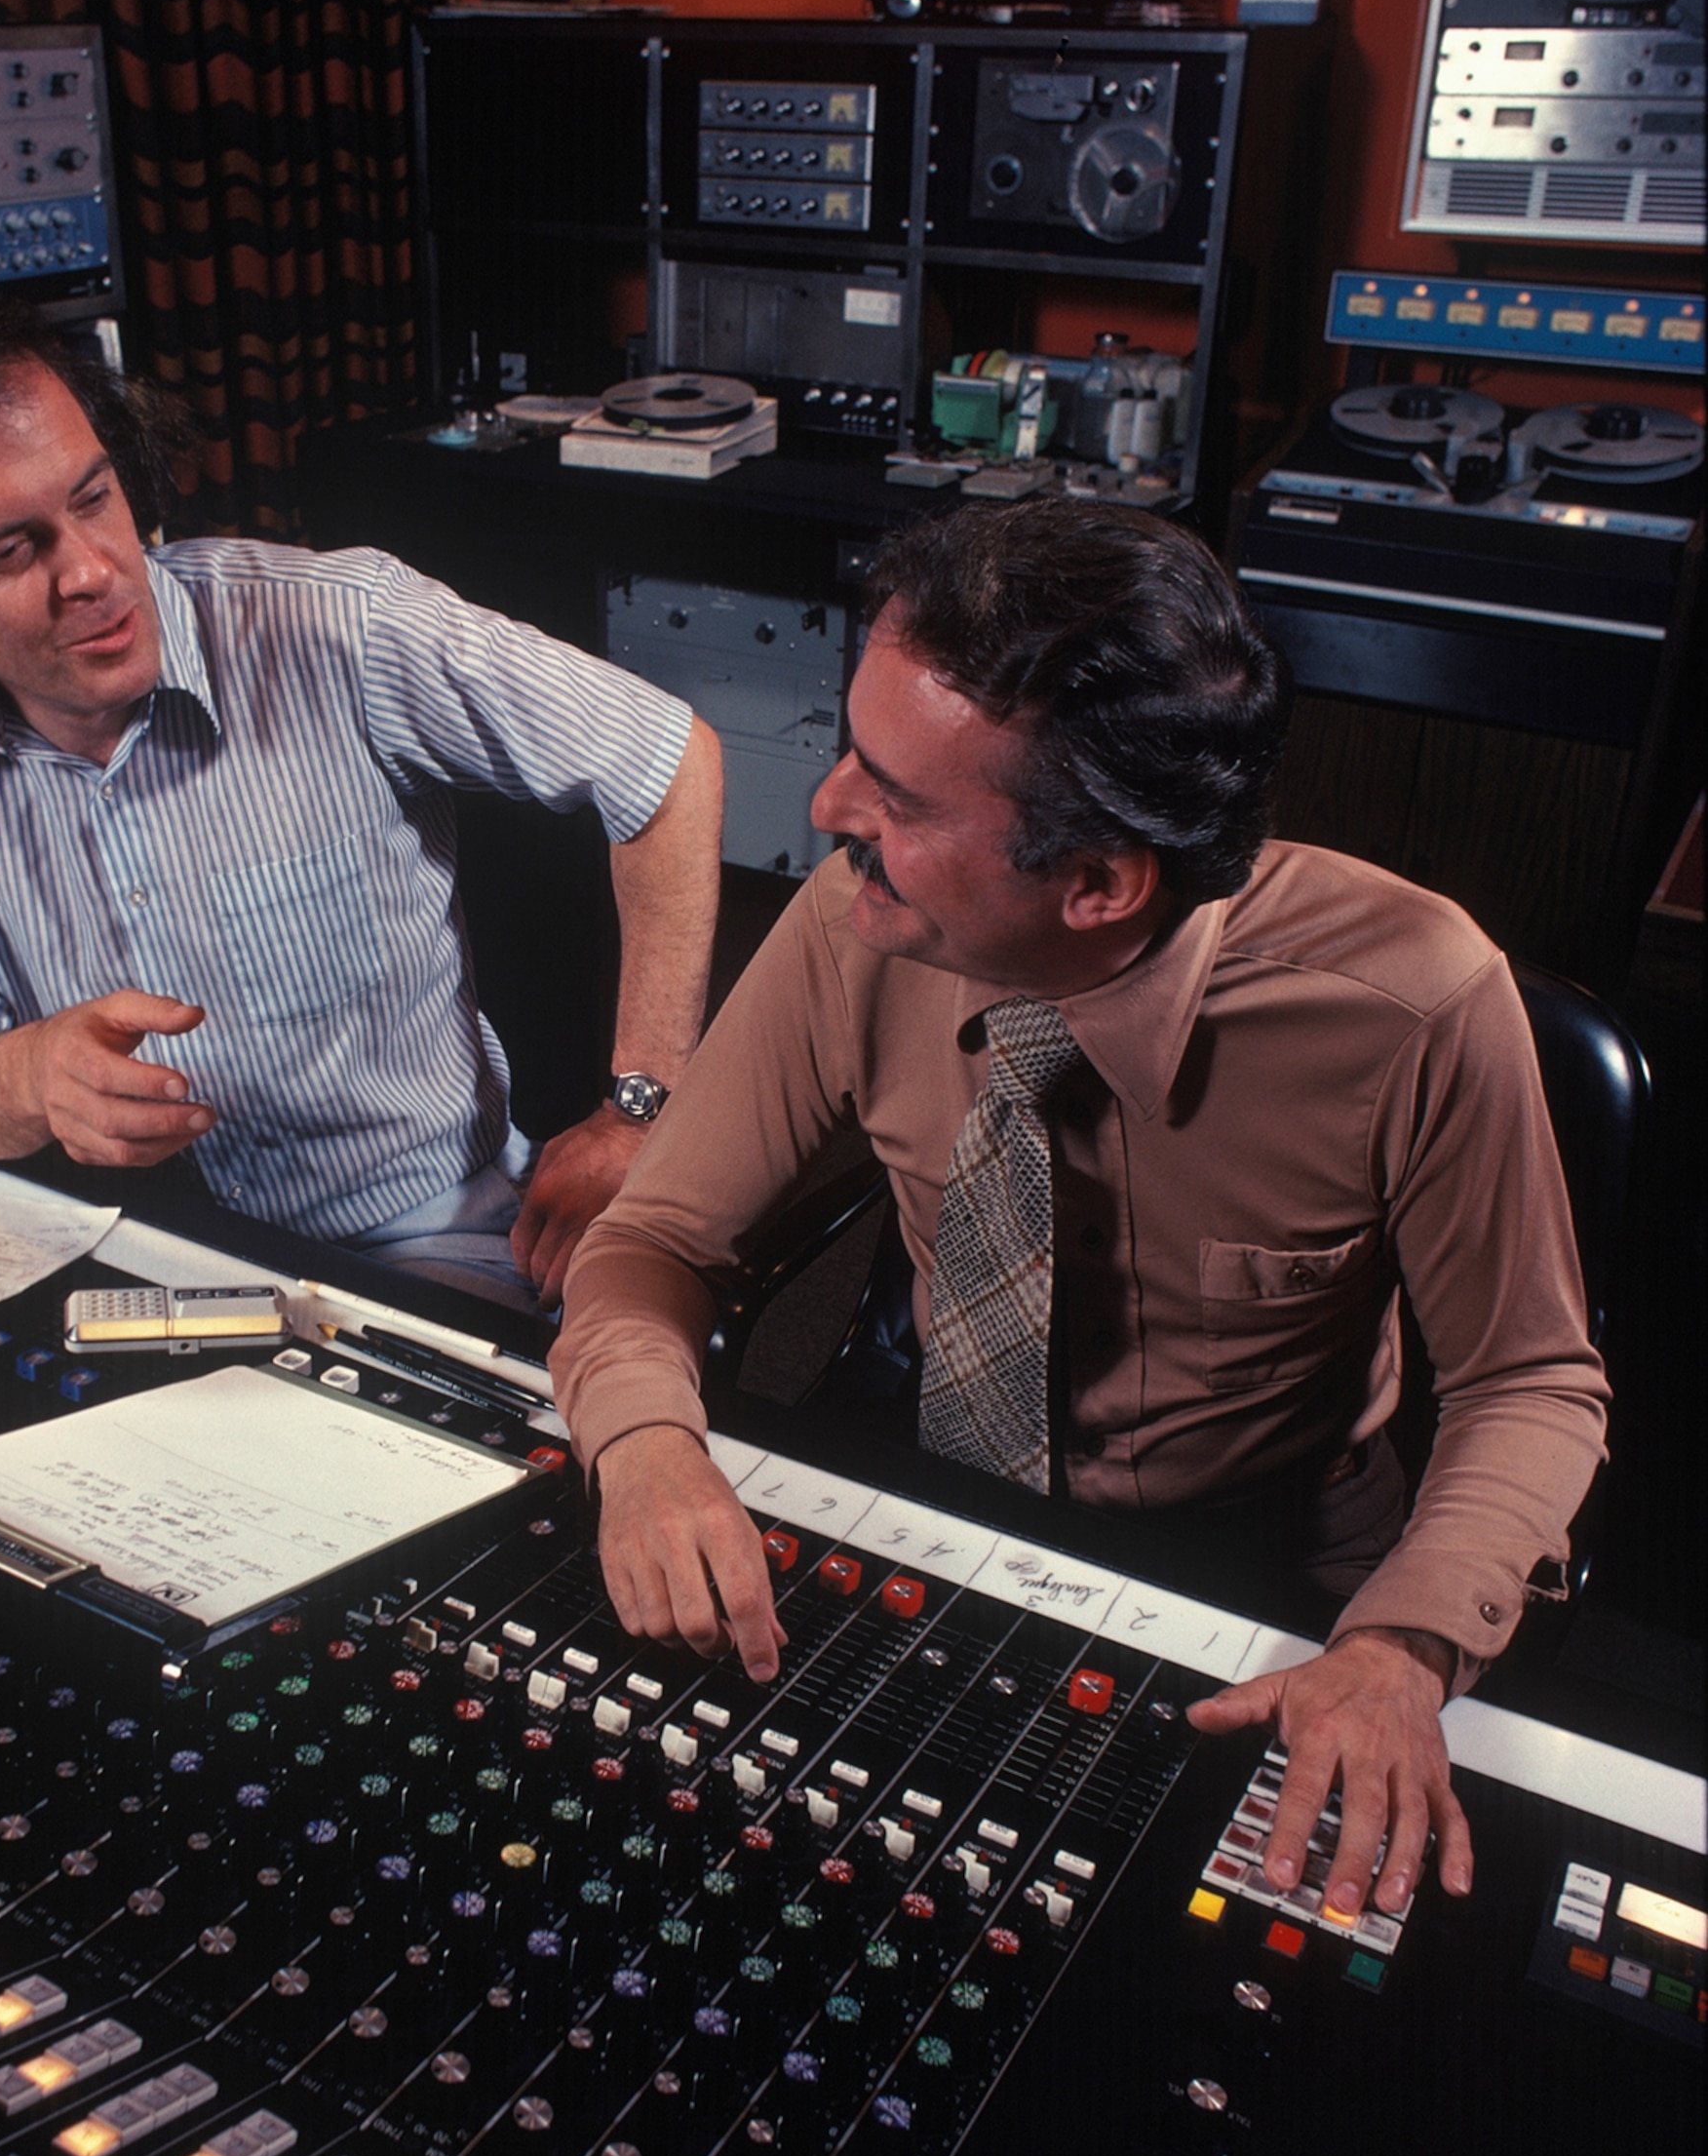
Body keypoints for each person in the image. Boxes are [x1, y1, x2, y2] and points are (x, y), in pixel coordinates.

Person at [553, 498, 1608, 1928]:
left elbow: (1528, 1381)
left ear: (1102, 882)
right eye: (853, 749)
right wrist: (650, 1440)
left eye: (900, 800)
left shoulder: (1421, 1003)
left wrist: (1404, 1647)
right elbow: (656, 1242)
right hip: (936, 1518)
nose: (826, 811)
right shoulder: (851, 924)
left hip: (1272, 1584)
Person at [0, 296, 723, 1306]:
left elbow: (666, 759)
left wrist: (640, 1111)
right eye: (9, 553)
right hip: (121, 1260)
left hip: (415, 1252)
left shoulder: (339, 626)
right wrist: (29, 1077)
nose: (91, 572)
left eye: (95, 498)